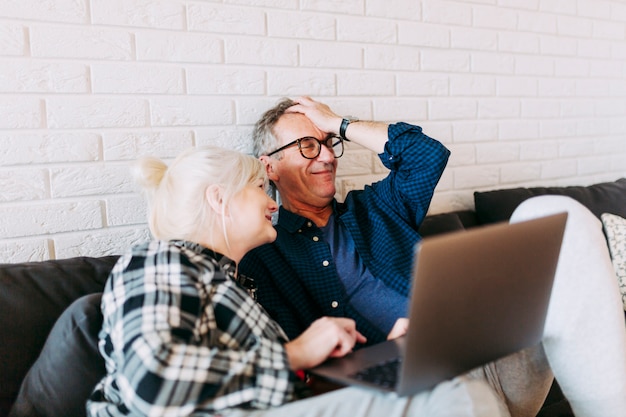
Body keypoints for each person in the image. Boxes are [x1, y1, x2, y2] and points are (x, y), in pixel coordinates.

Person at [238, 96, 626, 417]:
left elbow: (426, 155)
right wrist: (385, 354)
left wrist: (337, 122)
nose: (326, 156)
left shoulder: (375, 208)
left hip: (489, 355)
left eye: (328, 143)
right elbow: (294, 365)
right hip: (417, 395)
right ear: (269, 166)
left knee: (555, 215)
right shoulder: (264, 254)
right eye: (308, 145)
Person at [86, 146, 502, 417]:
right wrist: (296, 353)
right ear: (218, 199)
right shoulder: (161, 260)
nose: (272, 202)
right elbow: (153, 382)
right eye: (259, 188)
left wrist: (387, 357)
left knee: (452, 384)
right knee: (459, 398)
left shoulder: (232, 281)